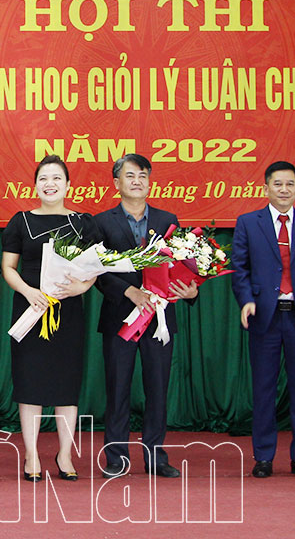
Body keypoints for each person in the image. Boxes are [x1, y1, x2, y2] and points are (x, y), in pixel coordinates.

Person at [93, 153, 198, 479]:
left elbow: (183, 264)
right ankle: (116, 457)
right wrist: (129, 292)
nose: (137, 181)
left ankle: (156, 457)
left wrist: (191, 290)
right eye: (130, 175)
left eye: (142, 176)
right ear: (117, 183)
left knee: (158, 388)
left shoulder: (168, 220)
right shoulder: (102, 222)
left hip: (159, 319)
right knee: (118, 389)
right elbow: (96, 271)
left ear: (149, 182)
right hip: (120, 319)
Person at [231, 160, 295, 479]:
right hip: (265, 318)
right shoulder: (248, 223)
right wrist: (246, 301)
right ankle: (263, 457)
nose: (284, 189)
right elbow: (240, 269)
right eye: (278, 184)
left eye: (290, 184)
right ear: (266, 188)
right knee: (264, 390)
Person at [1, 154, 101, 481]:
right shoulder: (20, 221)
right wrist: (27, 291)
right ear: (35, 185)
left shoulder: (84, 223)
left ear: (68, 185)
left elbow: (94, 267)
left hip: (68, 312)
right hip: (30, 309)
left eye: (57, 178)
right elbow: (8, 268)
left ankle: (65, 454)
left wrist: (82, 287)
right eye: (43, 178)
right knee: (30, 381)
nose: (50, 184)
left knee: (66, 384)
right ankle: (31, 454)